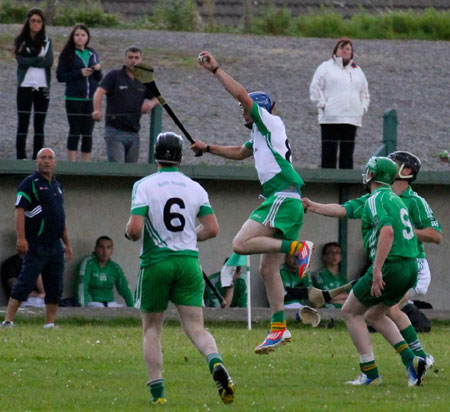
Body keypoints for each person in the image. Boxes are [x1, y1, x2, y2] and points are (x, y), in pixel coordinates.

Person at [193, 51, 314, 355]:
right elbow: (238, 151)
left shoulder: (268, 120)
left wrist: (216, 69)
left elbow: (242, 95)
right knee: (266, 270)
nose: (242, 114)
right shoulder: (261, 135)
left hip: (281, 197)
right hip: (286, 199)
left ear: (256, 109)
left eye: (244, 110)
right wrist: (207, 147)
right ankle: (278, 328)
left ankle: (298, 249)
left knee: (240, 244)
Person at [125, 132, 235, 405]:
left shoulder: (144, 185)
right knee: (196, 328)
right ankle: (215, 361)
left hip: (156, 262)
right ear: (180, 157)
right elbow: (212, 229)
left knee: (152, 328)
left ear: (156, 155)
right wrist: (186, 235)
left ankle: (158, 394)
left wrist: (127, 232)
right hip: (188, 263)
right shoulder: (195, 187)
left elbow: (136, 230)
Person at [303, 150, 439, 371]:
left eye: (395, 162)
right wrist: (314, 206)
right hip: (399, 263)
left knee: (369, 311)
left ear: (406, 171)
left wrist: (377, 268)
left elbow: (433, 235)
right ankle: (416, 360)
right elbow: (344, 209)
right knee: (380, 312)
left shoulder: (408, 200)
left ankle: (385, 368)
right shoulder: (379, 197)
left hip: (406, 262)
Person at [2, 148, 72, 328]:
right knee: (25, 281)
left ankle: (50, 323)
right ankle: (8, 320)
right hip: (36, 244)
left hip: (55, 246)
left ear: (55, 162)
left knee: (55, 285)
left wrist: (67, 244)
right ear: (37, 161)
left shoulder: (57, 186)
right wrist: (21, 238)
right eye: (43, 158)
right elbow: (20, 210)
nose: (47, 161)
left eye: (50, 158)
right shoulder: (29, 183)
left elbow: (60, 217)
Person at [310, 37, 370, 169]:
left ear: (352, 52)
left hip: (352, 118)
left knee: (347, 154)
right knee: (329, 153)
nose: (345, 51)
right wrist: (323, 104)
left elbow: (364, 92)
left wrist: (362, 108)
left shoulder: (357, 71)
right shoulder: (325, 67)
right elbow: (315, 87)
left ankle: (345, 186)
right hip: (331, 117)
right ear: (336, 51)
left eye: (348, 49)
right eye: (342, 48)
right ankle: (328, 184)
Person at [92, 46, 159, 162]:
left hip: (134, 132)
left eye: (136, 58)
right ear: (125, 59)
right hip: (115, 131)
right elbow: (99, 92)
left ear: (141, 60)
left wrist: (150, 104)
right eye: (130, 57)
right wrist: (97, 110)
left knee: (131, 171)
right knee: (118, 169)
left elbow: (158, 97)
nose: (133, 61)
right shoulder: (114, 76)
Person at [56, 23, 102, 162]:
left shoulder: (92, 53)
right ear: (73, 37)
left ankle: (86, 164)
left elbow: (99, 78)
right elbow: (60, 76)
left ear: (87, 37)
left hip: (91, 99)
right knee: (74, 131)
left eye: (83, 35)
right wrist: (79, 73)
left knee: (88, 133)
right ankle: (72, 163)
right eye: (77, 35)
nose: (80, 38)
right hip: (74, 98)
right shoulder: (67, 53)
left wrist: (98, 69)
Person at [14, 8, 53, 160]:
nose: (36, 24)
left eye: (39, 21)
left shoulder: (47, 41)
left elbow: (48, 61)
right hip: (25, 85)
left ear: (42, 23)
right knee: (23, 121)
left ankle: (37, 157)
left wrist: (30, 59)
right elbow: (21, 60)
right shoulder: (22, 41)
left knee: (39, 123)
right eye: (33, 21)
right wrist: (37, 59)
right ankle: (20, 156)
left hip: (42, 86)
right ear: (28, 22)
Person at [76, 236, 133, 308]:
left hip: (111, 304)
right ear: (95, 248)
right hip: (92, 303)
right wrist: (82, 309)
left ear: (112, 250)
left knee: (125, 314)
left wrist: (135, 310)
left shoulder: (115, 267)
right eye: (101, 247)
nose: (105, 251)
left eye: (108, 248)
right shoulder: (88, 263)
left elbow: (126, 289)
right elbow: (82, 288)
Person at [309, 242, 349, 308]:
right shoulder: (319, 276)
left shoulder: (343, 278)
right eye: (331, 252)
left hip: (343, 312)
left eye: (337, 252)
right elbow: (326, 297)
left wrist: (336, 298)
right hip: (326, 312)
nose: (334, 255)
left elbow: (351, 298)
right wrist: (343, 298)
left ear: (340, 257)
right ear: (324, 257)